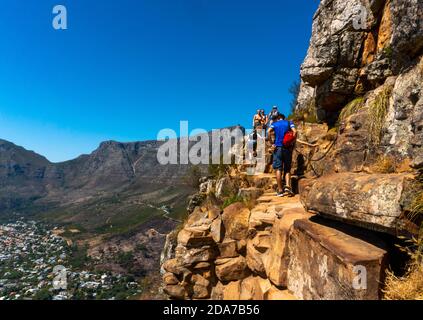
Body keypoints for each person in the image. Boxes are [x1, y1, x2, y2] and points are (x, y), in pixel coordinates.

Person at [268, 112, 297, 197]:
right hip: (287, 148)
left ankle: (280, 190)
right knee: (287, 169)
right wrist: (292, 142)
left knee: (278, 169)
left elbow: (268, 132)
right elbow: (295, 131)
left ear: (278, 117)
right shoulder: (289, 123)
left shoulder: (275, 124)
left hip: (278, 148)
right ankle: (288, 186)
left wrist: (271, 142)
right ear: (283, 117)